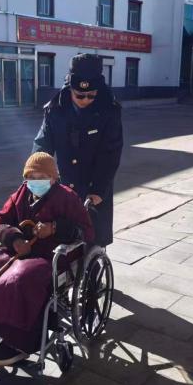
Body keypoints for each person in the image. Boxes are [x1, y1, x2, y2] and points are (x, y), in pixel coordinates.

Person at [0, 152, 94, 366]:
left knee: (20, 280)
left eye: (41, 177)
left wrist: (55, 227)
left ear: (53, 178)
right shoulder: (20, 194)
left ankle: (19, 342)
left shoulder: (67, 197)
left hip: (51, 256)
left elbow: (86, 231)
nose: (35, 181)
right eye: (31, 177)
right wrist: (13, 237)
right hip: (17, 251)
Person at [32, 53, 123, 247]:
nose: (85, 100)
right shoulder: (55, 109)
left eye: (91, 95)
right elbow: (42, 145)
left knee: (92, 242)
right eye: (79, 95)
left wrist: (98, 189)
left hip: (94, 188)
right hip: (64, 188)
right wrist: (37, 175)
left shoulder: (109, 111)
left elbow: (111, 153)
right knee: (60, 241)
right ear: (70, 87)